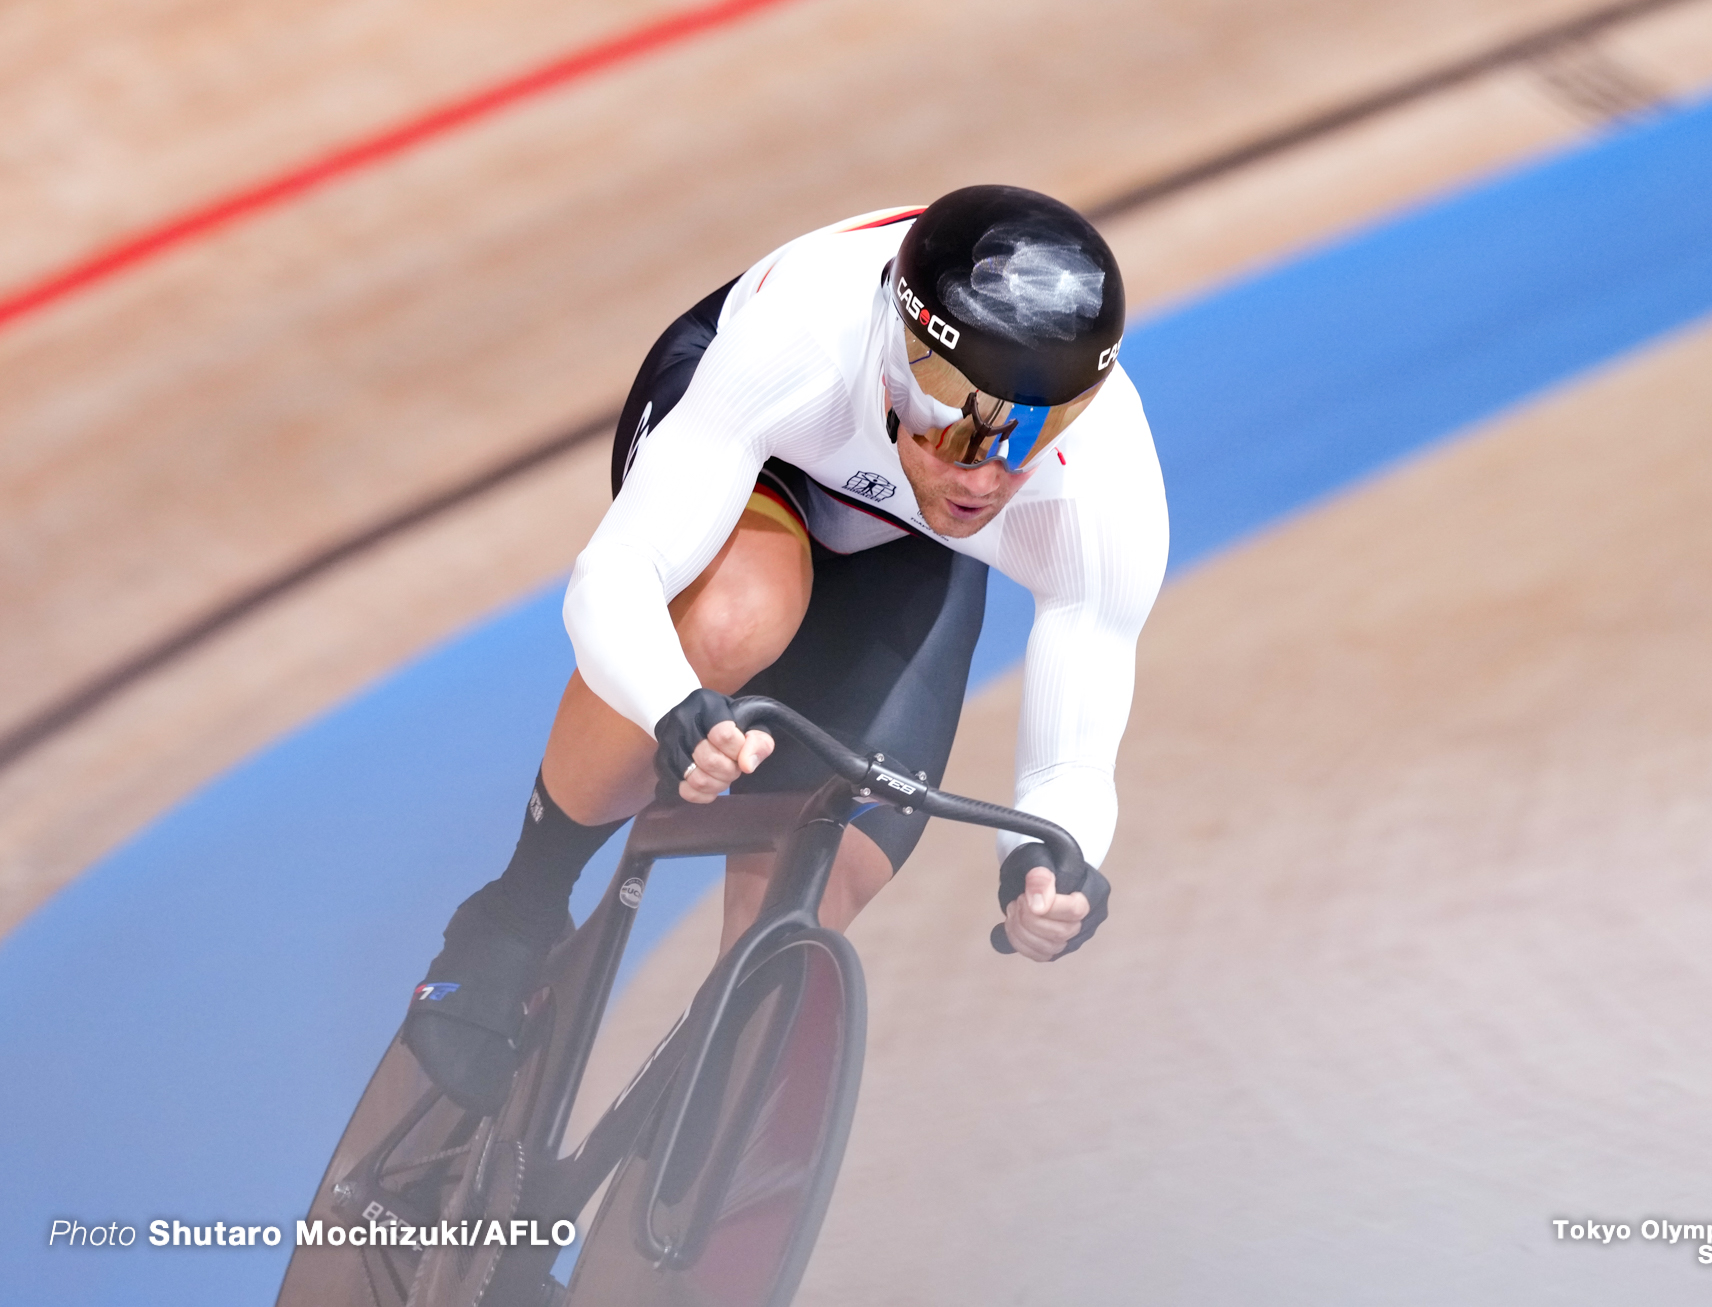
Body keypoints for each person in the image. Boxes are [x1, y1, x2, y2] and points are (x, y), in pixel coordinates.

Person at [405, 185, 1169, 1112]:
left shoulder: (1101, 488)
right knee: (733, 620)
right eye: (959, 418)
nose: (990, 472)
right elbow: (615, 578)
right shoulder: (803, 337)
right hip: (760, 455)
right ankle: (517, 907)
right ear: (899, 356)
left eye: (1040, 427)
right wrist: (670, 707)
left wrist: (1054, 866)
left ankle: (669, 1150)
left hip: (904, 548)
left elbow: (1074, 759)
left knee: (818, 887)